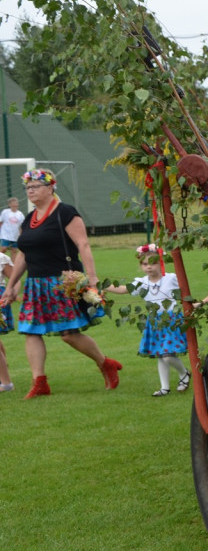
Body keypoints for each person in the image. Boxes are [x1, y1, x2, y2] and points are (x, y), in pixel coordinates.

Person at [0, 169, 122, 399]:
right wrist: (11, 285)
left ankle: (105, 363)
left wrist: (93, 278)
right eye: (28, 188)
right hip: (35, 285)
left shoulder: (65, 212)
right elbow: (23, 255)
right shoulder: (29, 218)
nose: (31, 191)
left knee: (68, 334)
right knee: (30, 331)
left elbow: (83, 245)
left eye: (36, 186)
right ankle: (40, 382)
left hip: (63, 282)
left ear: (50, 187)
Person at [105, 244, 190, 397]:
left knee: (168, 355)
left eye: (153, 263)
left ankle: (184, 373)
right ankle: (165, 387)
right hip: (154, 322)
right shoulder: (142, 282)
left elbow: (185, 291)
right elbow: (123, 289)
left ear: (161, 262)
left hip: (170, 320)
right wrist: (102, 286)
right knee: (160, 355)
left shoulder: (170, 278)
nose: (149, 267)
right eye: (145, 264)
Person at [0, 250, 16, 393]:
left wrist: (11, 295)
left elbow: (14, 279)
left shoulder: (1, 258)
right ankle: (3, 373)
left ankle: (6, 383)